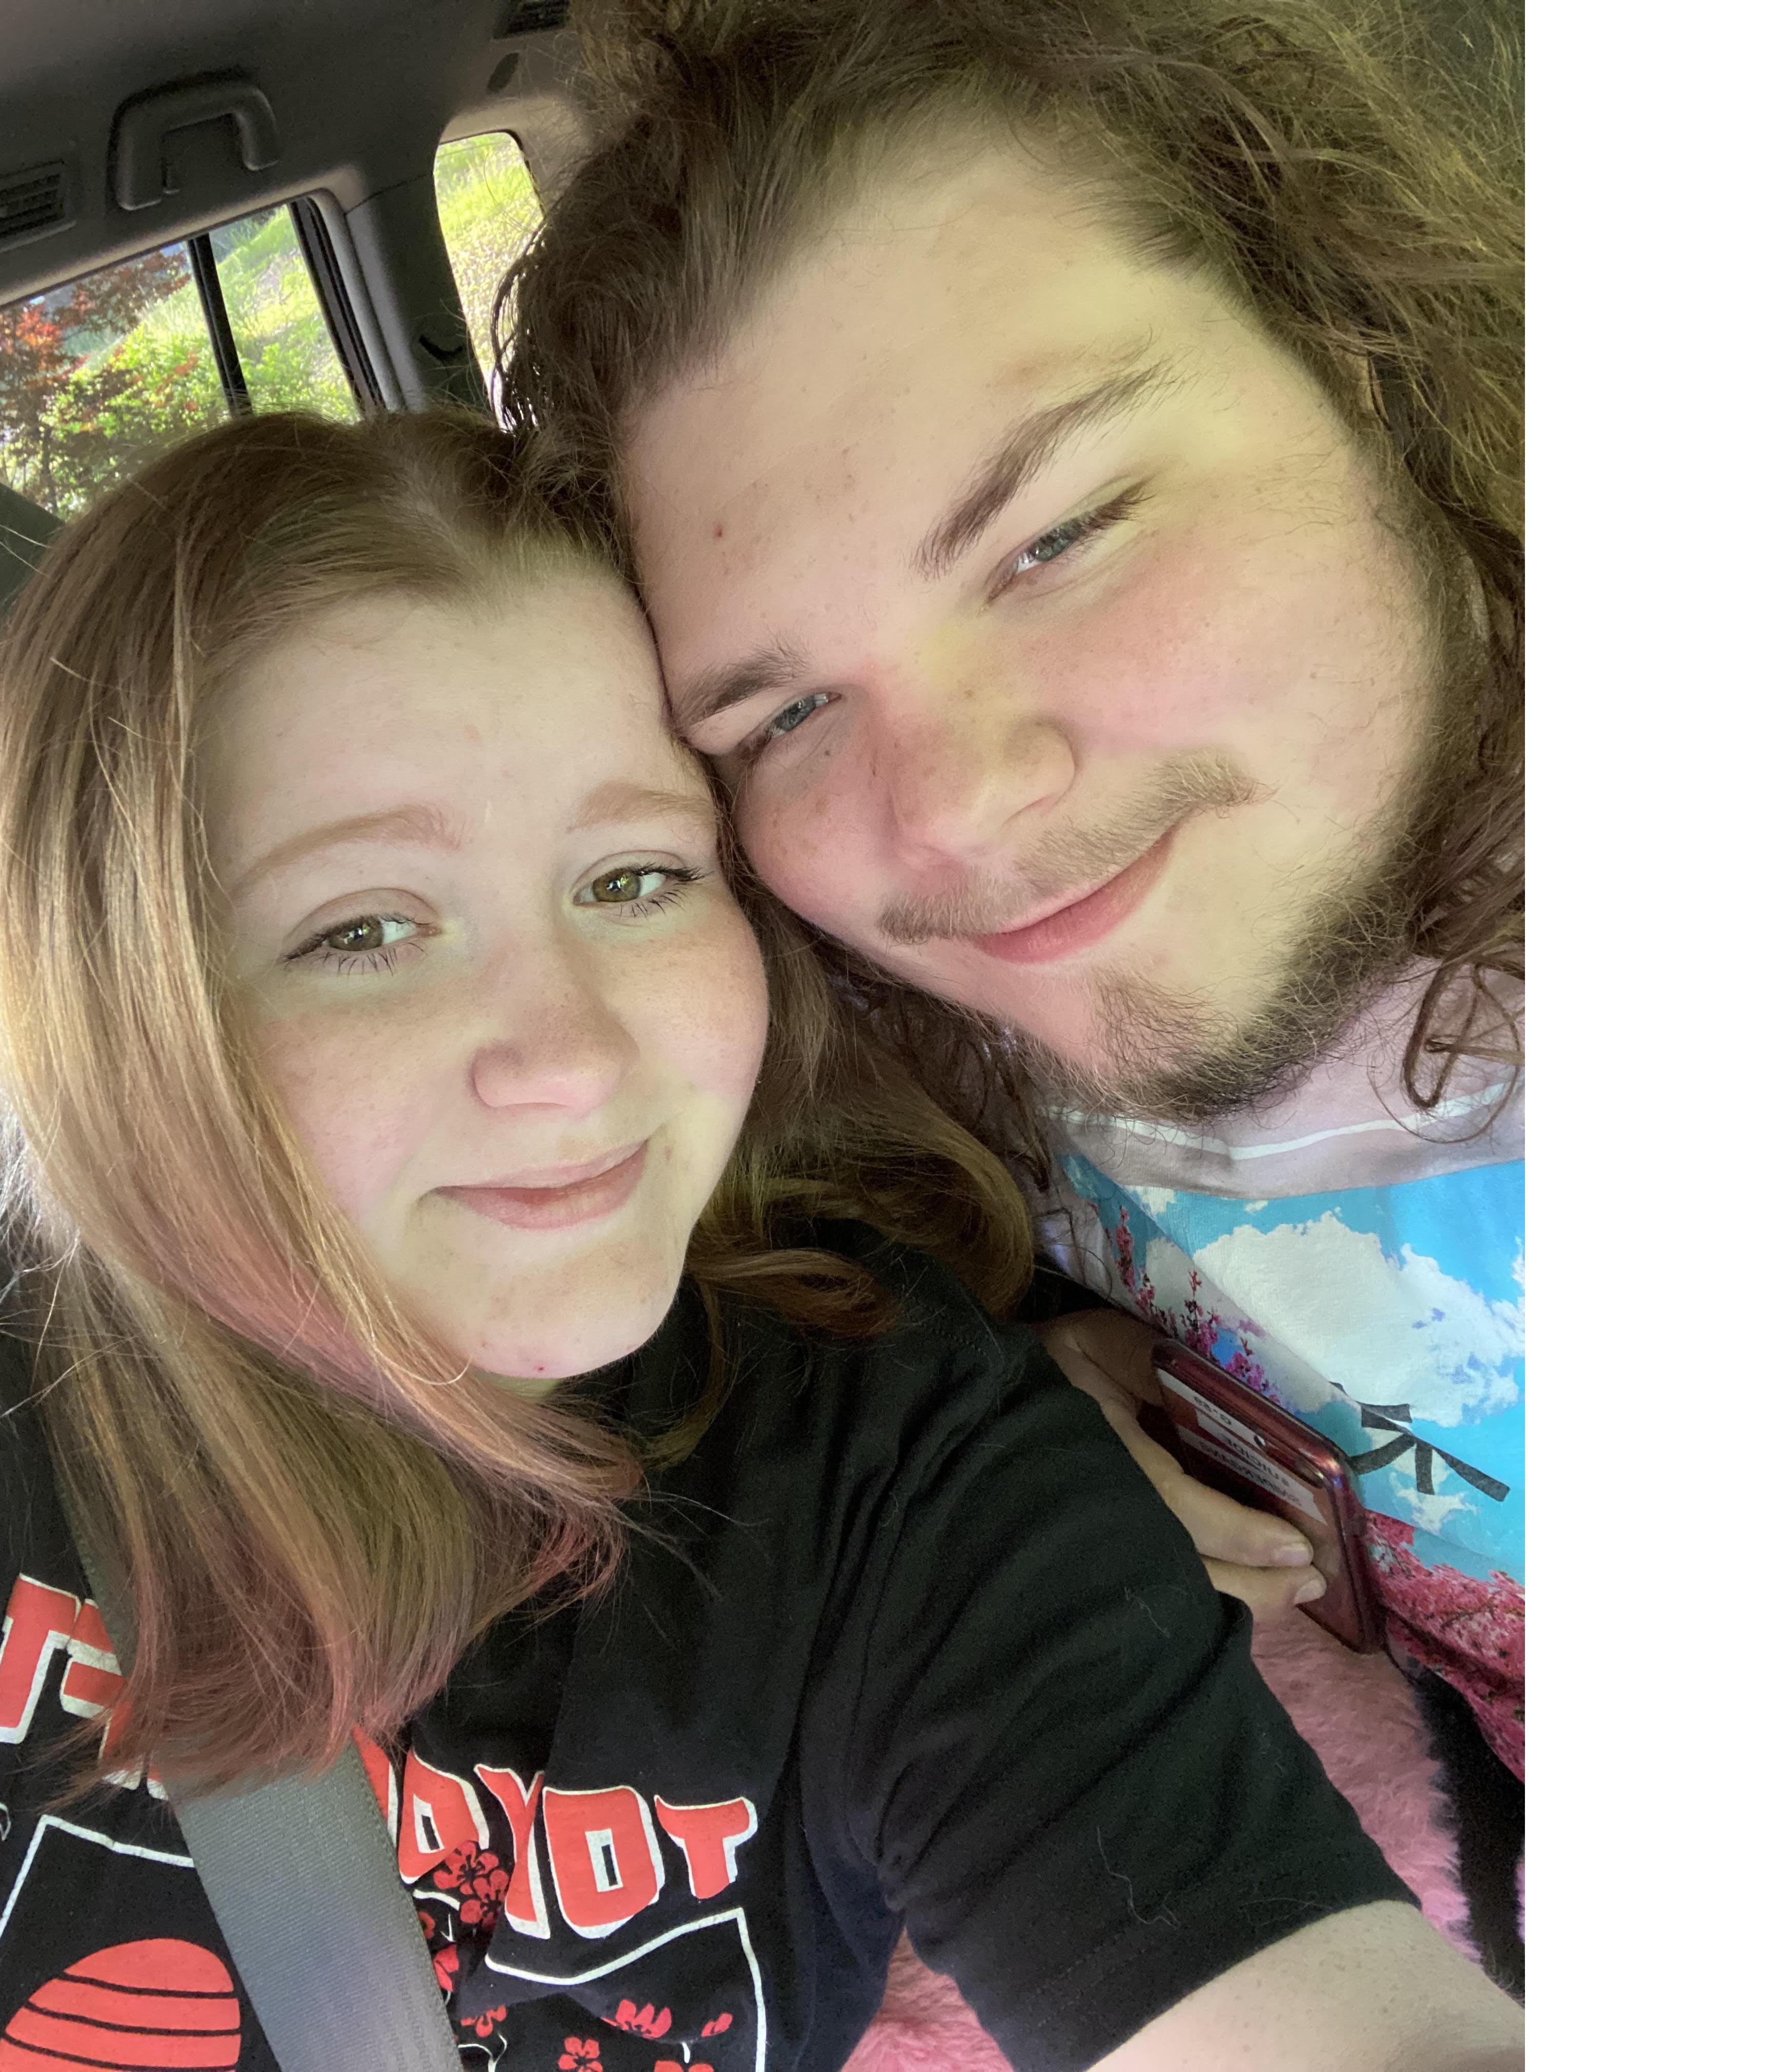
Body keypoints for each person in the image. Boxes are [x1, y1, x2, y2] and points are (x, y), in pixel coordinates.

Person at [0, 408, 1521, 2070]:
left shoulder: (896, 1461)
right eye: (363, 928)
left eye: (635, 879)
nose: (574, 1058)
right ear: (122, 1000)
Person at [499, 0, 1526, 1805]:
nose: (954, 808)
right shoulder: (883, 1057)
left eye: (1055, 538)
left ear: (1370, 368)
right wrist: (1045, 1392)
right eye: (785, 715)